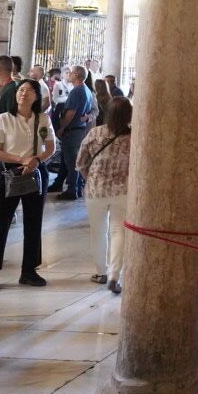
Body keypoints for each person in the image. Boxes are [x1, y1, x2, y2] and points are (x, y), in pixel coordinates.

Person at [0, 78, 54, 293]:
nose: (24, 93)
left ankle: (29, 270)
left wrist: (37, 160)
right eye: (21, 90)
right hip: (9, 172)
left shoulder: (43, 119)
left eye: (30, 90)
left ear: (36, 96)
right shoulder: (3, 119)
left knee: (33, 222)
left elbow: (50, 147)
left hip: (36, 172)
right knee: (0, 222)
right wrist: (22, 160)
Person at [78, 95, 132, 294]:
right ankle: (114, 275)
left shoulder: (95, 133)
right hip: (122, 191)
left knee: (98, 231)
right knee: (119, 232)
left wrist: (91, 177)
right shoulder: (133, 137)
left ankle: (100, 272)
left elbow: (80, 162)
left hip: (95, 190)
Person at [51, 66, 90, 199]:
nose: (69, 75)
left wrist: (62, 127)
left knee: (72, 161)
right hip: (79, 129)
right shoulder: (86, 90)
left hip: (72, 130)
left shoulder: (77, 91)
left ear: (77, 75)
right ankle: (77, 189)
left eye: (71, 73)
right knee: (74, 160)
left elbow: (71, 112)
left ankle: (72, 190)